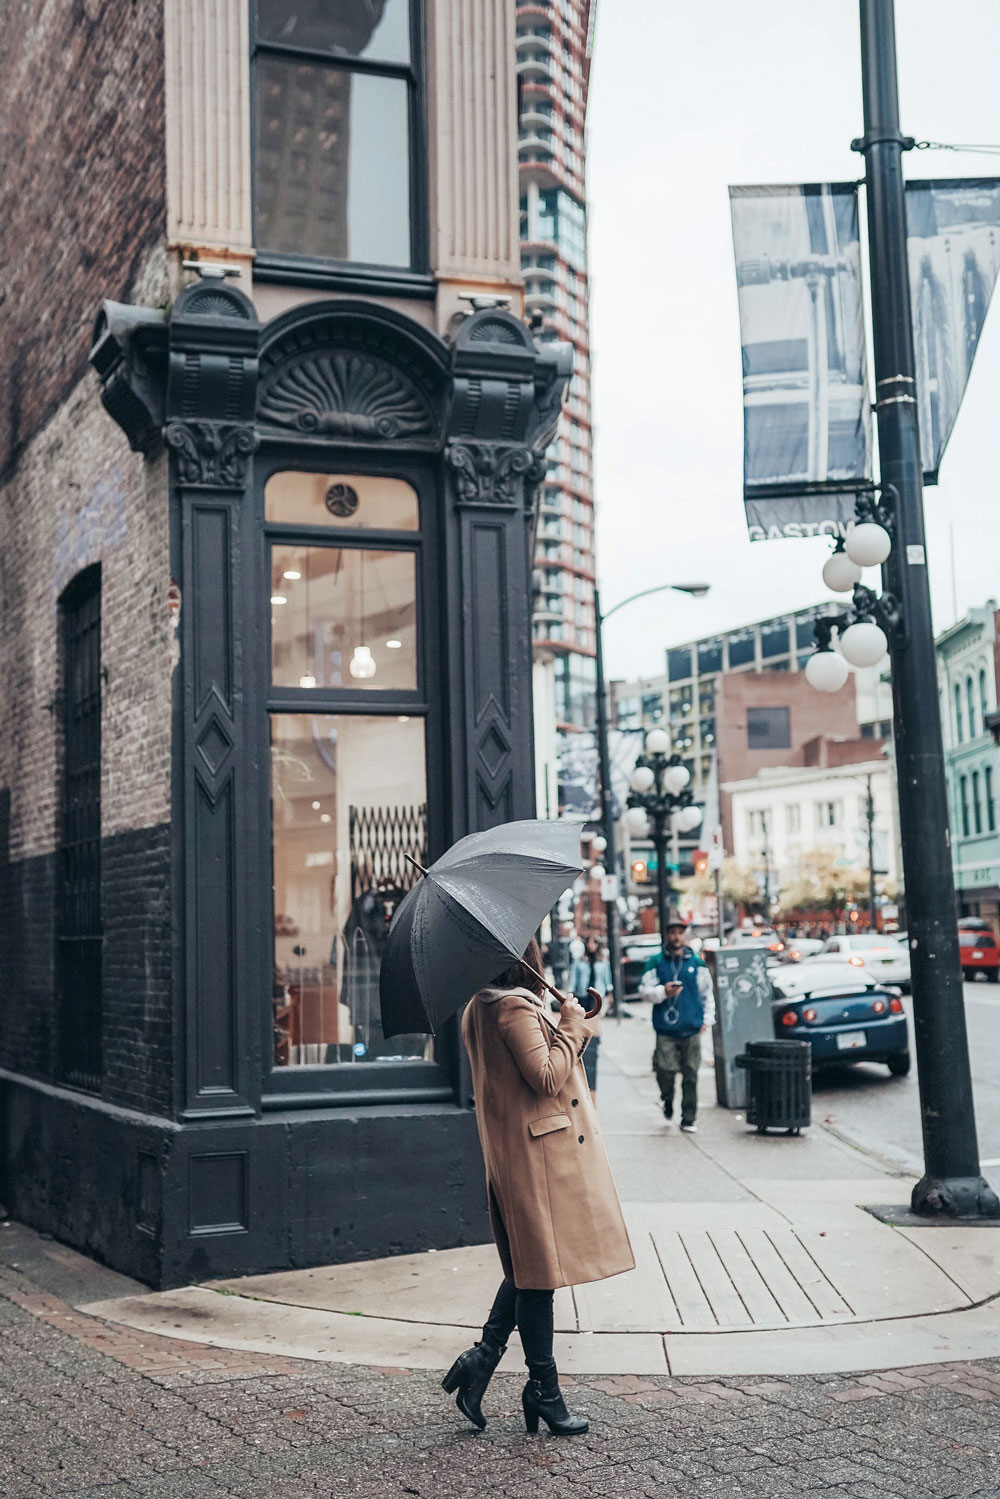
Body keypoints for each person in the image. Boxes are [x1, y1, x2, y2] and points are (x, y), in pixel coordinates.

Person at [444, 937, 634, 1435]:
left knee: (531, 1266)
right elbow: (547, 1076)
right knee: (538, 1276)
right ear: (526, 961)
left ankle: (483, 1360)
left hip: (518, 1156)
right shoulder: (512, 1010)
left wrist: (576, 1020)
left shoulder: (479, 1008)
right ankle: (544, 1392)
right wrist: (571, 1023)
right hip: (538, 1160)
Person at [639, 910, 716, 1133]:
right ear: (667, 935)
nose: (676, 937)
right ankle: (667, 1100)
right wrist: (663, 992)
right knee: (665, 1070)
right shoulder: (655, 962)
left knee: (691, 1074)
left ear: (685, 935)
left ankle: (689, 1118)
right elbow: (644, 991)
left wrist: (708, 1019)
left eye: (679, 933)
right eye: (672, 933)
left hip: (692, 1027)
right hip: (665, 1028)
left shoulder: (696, 963)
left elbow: (707, 994)